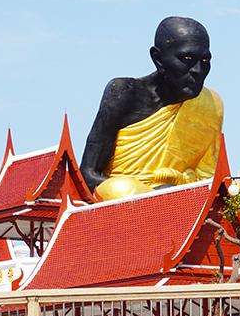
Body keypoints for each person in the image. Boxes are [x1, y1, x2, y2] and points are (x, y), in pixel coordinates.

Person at [81, 16, 223, 201]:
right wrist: (153, 195)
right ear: (158, 59)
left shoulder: (211, 103)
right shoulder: (125, 93)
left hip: (187, 196)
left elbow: (210, 178)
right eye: (187, 59)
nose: (197, 70)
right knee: (118, 188)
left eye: (205, 61)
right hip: (130, 198)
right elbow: (88, 175)